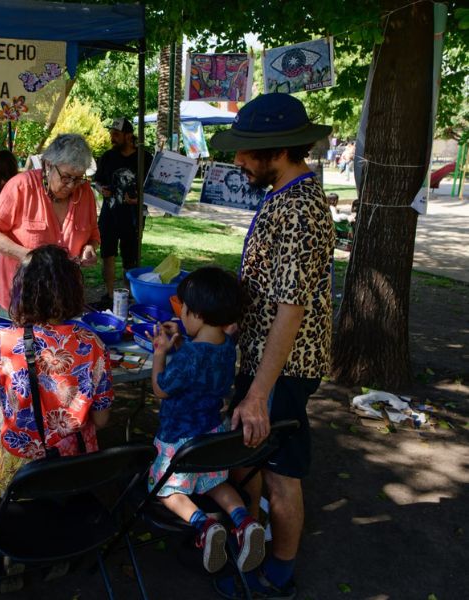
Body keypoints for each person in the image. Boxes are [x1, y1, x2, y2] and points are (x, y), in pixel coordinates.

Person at [209, 93, 335, 599]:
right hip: (264, 359)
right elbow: (267, 291)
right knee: (251, 458)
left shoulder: (302, 207)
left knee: (281, 471)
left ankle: (278, 574)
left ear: (278, 150)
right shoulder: (285, 194)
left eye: (245, 151)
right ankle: (249, 540)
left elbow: (291, 308)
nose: (238, 160)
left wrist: (259, 393)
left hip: (283, 367)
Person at [0, 245, 113, 497]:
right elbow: (102, 420)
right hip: (78, 473)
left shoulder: (6, 340)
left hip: (21, 477)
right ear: (73, 290)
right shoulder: (93, 343)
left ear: (22, 291)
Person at [148, 267, 265, 574]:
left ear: (197, 314)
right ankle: (244, 519)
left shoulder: (189, 357)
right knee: (216, 484)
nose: (182, 314)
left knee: (168, 491)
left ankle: (204, 527)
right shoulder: (227, 346)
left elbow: (161, 389)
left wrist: (160, 353)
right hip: (212, 437)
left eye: (184, 309)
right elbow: (201, 362)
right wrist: (180, 347)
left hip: (179, 441)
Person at [0, 134, 100, 311]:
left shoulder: (85, 193)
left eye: (79, 178)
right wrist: (28, 256)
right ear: (48, 165)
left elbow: (93, 234)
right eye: (66, 177)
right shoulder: (21, 186)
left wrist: (90, 247)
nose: (72, 185)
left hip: (64, 298)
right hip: (19, 299)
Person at [93, 117, 153, 303]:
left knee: (130, 259)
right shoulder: (107, 157)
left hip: (133, 218)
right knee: (107, 255)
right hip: (109, 216)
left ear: (128, 136)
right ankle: (110, 294)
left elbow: (154, 186)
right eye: (111, 134)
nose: (112, 138)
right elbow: (97, 181)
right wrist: (101, 189)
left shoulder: (145, 157)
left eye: (116, 134)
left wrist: (139, 199)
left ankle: (127, 295)